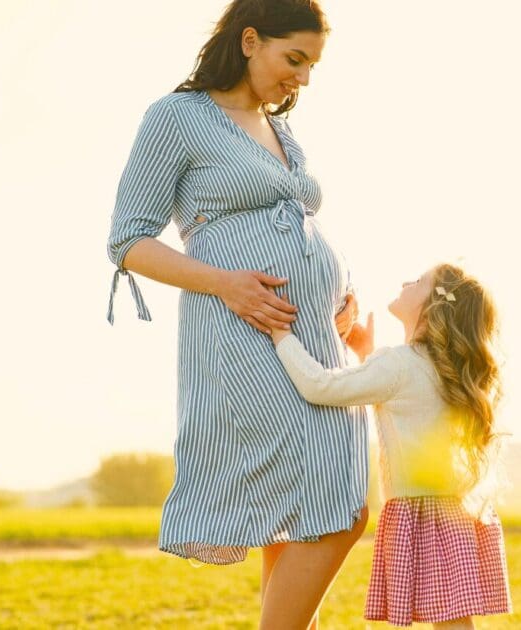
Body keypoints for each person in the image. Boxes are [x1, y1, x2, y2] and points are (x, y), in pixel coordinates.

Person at [105, 2, 367, 628]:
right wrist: (227, 286)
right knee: (343, 507)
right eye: (293, 59)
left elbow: (299, 228)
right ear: (250, 40)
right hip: (244, 338)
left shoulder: (277, 129)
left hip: (311, 343)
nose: (302, 79)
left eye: (312, 66)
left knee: (299, 511)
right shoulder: (178, 117)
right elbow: (127, 240)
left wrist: (343, 291)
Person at [269, 263, 513, 629]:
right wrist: (366, 351)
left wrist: (281, 334)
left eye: (417, 281)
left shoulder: (399, 365)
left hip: (420, 512)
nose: (405, 281)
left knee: (450, 622)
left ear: (433, 306)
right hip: (452, 512)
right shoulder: (440, 366)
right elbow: (408, 398)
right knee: (453, 621)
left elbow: (319, 386)